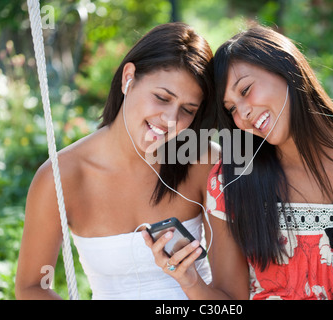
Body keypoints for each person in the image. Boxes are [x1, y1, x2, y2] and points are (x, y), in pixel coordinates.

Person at [144, 25, 333, 300]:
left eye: (245, 90)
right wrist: (190, 281)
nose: (243, 114)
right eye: (231, 109)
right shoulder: (231, 179)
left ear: (287, 67)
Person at [15, 22, 219, 300]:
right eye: (161, 97)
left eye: (187, 110)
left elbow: (232, 298)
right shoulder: (61, 176)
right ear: (128, 78)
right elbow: (31, 288)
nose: (171, 119)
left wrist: (190, 281)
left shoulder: (205, 162)